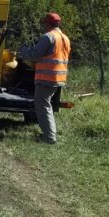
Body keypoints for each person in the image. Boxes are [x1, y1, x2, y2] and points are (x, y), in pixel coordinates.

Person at [26, 12, 71, 144]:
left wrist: (23, 53)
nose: (43, 26)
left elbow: (35, 55)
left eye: (44, 23)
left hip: (47, 77)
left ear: (47, 24)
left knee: (42, 105)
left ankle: (49, 138)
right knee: (46, 105)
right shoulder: (65, 38)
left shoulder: (48, 37)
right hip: (59, 77)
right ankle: (50, 135)